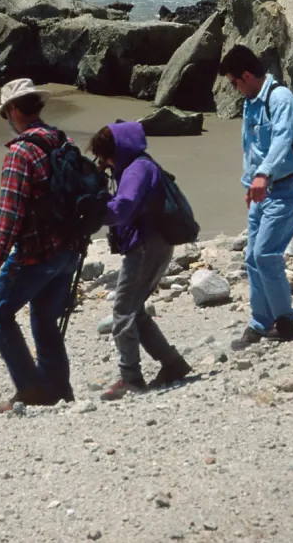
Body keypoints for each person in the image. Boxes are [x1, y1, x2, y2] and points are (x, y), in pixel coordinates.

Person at [0, 78, 82, 409]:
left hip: (37, 253)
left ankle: (31, 389)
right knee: (44, 318)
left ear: (12, 111)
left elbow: (8, 215)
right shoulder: (61, 141)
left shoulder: (21, 153)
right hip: (69, 249)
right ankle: (58, 388)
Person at [89, 121, 192, 400]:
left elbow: (122, 208)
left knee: (123, 310)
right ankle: (172, 364)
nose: (105, 163)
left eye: (105, 157)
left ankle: (130, 377)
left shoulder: (135, 169)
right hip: (155, 244)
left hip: (146, 247)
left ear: (115, 152)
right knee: (136, 311)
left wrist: (94, 209)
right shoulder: (140, 163)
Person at [220, 46, 293, 349]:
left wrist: (264, 174)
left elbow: (283, 139)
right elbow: (253, 147)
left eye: (234, 82)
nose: (234, 89)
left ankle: (285, 320)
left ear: (246, 76)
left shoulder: (280, 98)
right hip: (261, 190)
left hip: (286, 189)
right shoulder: (251, 101)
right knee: (251, 258)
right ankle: (260, 323)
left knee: (266, 254)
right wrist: (251, 182)